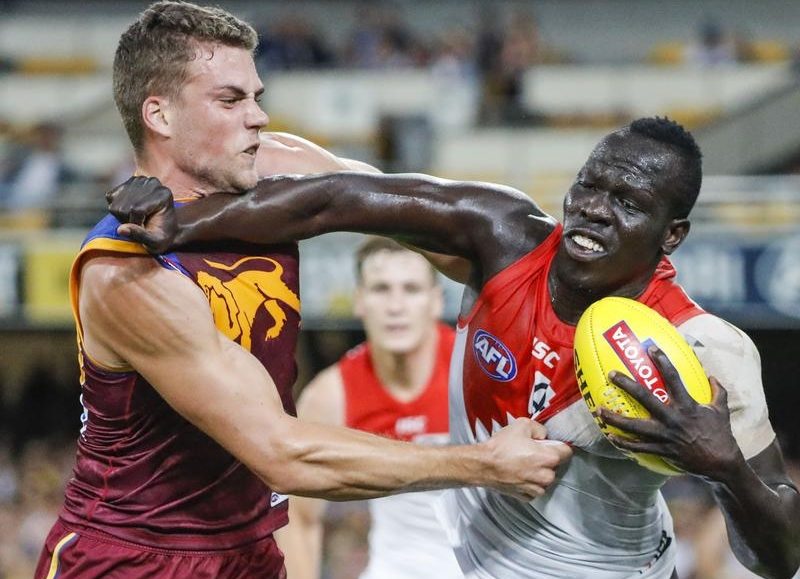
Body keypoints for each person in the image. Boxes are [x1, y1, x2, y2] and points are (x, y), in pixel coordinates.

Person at [110, 115, 800, 579]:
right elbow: (337, 198)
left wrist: (724, 469)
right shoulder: (502, 236)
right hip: (461, 560)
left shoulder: (704, 350)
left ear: (672, 235)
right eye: (589, 185)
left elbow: (782, 554)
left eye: (628, 202)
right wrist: (184, 221)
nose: (593, 208)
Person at [34, 3, 572, 578]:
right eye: (230, 101)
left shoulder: (273, 167)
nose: (258, 117)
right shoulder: (124, 272)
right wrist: (486, 464)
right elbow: (282, 454)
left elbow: (434, 228)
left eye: (256, 96)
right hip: (132, 557)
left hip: (250, 550)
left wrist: (553, 278)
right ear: (159, 115)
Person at [276, 237, 463, 579]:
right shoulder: (332, 395)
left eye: (411, 289)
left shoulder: (471, 375)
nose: (395, 306)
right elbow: (298, 517)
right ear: (359, 301)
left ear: (436, 301)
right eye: (381, 289)